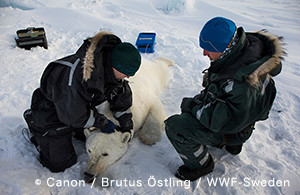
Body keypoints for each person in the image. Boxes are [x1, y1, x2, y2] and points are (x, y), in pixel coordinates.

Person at [165, 17, 284, 181]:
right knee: (213, 107)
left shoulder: (242, 83)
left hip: (234, 123)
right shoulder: (246, 51)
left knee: (175, 126)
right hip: (244, 120)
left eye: (209, 49)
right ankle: (234, 143)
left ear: (226, 46)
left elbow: (219, 120)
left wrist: (193, 106)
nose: (204, 53)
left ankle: (202, 165)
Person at [23, 31, 141, 172]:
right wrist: (102, 122)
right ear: (115, 66)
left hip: (77, 107)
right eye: (127, 72)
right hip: (51, 109)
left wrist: (126, 124)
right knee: (61, 163)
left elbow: (121, 98)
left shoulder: (110, 72)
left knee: (90, 138)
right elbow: (73, 114)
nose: (128, 76)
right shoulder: (78, 75)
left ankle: (73, 128)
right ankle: (35, 122)